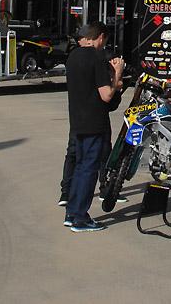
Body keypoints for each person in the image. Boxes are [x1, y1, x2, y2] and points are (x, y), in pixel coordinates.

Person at [61, 21, 124, 233]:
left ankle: (72, 213)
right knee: (88, 170)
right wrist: (117, 74)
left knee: (80, 168)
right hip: (94, 123)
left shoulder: (73, 57)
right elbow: (106, 95)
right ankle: (80, 217)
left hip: (77, 121)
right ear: (101, 37)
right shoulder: (96, 57)